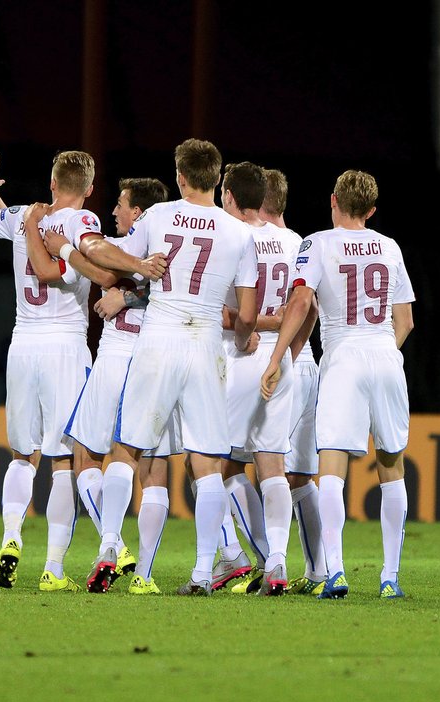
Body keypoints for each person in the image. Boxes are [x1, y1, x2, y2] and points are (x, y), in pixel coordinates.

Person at [0, 148, 162, 592]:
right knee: (61, 463)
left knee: (21, 455)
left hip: (22, 345)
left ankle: (11, 536)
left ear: (52, 182)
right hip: (65, 347)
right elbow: (88, 260)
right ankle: (54, 568)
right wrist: (126, 270)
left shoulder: (24, 218)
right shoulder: (83, 221)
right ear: (90, 190)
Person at [80, 138, 258, 596]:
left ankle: (108, 546)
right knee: (207, 461)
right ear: (217, 178)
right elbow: (248, 313)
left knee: (127, 448)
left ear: (180, 177)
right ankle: (202, 572)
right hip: (203, 345)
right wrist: (242, 336)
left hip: (157, 338)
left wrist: (137, 263)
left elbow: (101, 252)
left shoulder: (157, 216)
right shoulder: (239, 233)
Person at [261, 169, 414, 600]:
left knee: (331, 465)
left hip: (343, 355)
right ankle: (389, 577)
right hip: (385, 354)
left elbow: (302, 300)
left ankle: (337, 571)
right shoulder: (390, 246)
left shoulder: (316, 244)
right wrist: (384, 349)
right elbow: (405, 320)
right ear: (371, 210)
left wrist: (277, 358)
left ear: (333, 200)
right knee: (391, 465)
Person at [62, 177, 177, 595]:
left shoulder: (119, 246)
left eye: (121, 204)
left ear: (139, 213)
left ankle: (111, 545)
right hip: (157, 359)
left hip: (119, 353)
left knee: (88, 457)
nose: (114, 211)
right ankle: (143, 576)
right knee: (152, 467)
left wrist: (62, 247)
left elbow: (96, 260)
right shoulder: (173, 251)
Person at [213, 161, 296, 596]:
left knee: (208, 465)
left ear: (230, 194)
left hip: (241, 357)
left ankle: (236, 557)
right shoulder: (293, 240)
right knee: (272, 464)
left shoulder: (231, 237)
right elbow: (303, 308)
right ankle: (277, 559)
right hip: (283, 362)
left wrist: (251, 328)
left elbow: (224, 310)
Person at [260, 167, 327, 594]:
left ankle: (261, 561)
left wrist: (280, 354)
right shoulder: (303, 244)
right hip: (306, 363)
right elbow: (312, 308)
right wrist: (297, 353)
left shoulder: (252, 241)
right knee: (300, 476)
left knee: (235, 466)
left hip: (273, 361)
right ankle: (320, 573)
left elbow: (297, 305)